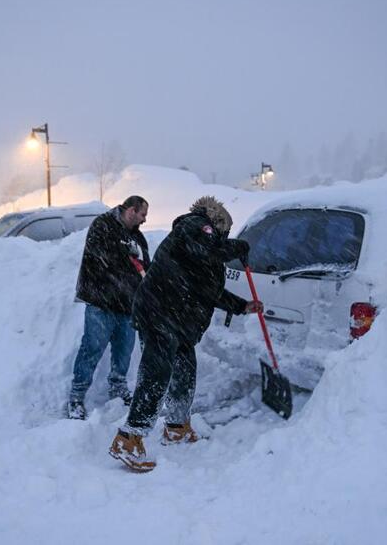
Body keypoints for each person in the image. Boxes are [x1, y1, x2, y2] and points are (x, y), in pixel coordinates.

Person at [109, 196, 262, 471]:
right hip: (160, 313)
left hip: (176, 321)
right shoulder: (194, 226)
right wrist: (238, 246)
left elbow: (208, 290)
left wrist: (242, 306)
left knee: (184, 372)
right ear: (216, 225)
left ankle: (177, 427)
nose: (221, 239)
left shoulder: (200, 247)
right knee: (156, 374)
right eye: (222, 234)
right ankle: (129, 438)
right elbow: (209, 249)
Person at [67, 195, 150, 420]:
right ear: (132, 210)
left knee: (124, 351)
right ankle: (76, 397)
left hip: (127, 306)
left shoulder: (138, 238)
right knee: (92, 348)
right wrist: (128, 258)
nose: (144, 220)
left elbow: (146, 268)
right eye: (142, 214)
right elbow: (103, 256)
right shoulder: (103, 225)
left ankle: (118, 388)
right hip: (101, 302)